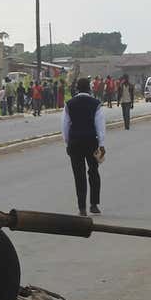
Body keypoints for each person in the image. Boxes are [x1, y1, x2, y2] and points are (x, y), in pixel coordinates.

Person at [62, 77, 106, 216]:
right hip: (91, 141)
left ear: (77, 89)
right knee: (93, 172)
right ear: (89, 88)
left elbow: (65, 126)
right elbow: (100, 125)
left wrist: (68, 142)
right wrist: (102, 144)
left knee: (79, 175)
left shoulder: (69, 104)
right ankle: (94, 204)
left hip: (75, 142)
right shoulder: (96, 104)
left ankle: (82, 208)